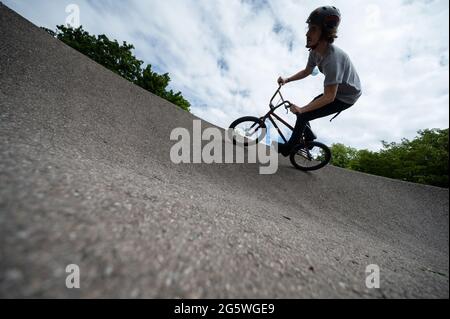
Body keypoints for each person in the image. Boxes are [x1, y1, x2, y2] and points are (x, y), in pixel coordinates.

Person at [276, 6, 362, 156]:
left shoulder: (332, 59)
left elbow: (329, 97)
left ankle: (289, 148)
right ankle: (309, 137)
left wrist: (302, 110)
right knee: (306, 110)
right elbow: (306, 71)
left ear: (325, 32)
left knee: (303, 113)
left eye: (313, 29)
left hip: (346, 97)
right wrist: (287, 79)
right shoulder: (315, 52)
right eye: (308, 28)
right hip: (335, 92)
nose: (307, 33)